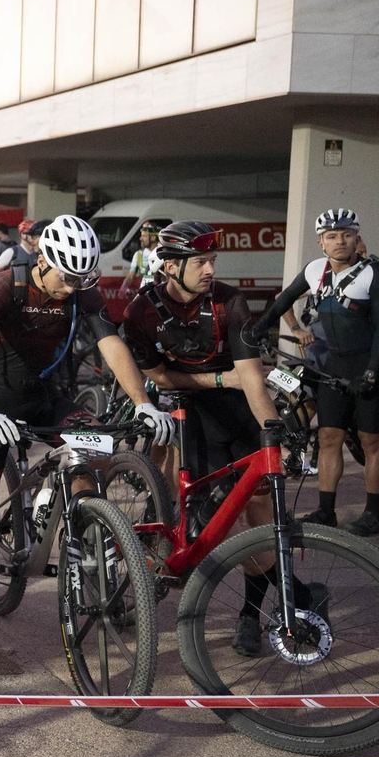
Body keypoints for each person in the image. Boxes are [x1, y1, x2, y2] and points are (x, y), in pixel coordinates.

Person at [0, 214, 174, 647]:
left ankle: (80, 534)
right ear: (44, 259)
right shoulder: (3, 285)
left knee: (95, 456)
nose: (73, 287)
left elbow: (109, 342)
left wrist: (143, 402)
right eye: (67, 277)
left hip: (49, 396)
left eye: (81, 278)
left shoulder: (81, 287)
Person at [121, 221, 294, 656]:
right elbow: (157, 374)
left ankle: (251, 615)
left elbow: (251, 378)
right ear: (171, 266)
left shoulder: (228, 301)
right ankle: (300, 593)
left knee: (257, 511)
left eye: (213, 261)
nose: (209, 269)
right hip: (191, 412)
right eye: (200, 262)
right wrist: (218, 378)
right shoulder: (140, 311)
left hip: (241, 411)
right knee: (206, 528)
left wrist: (272, 433)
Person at [255, 208, 379, 536]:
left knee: (372, 440)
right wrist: (260, 327)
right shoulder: (314, 270)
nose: (340, 241)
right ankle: (325, 511)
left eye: (347, 235)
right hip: (334, 365)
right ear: (320, 243)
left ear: (357, 239)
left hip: (374, 365)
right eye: (332, 236)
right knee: (328, 436)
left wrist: (373, 372)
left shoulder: (376, 276)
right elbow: (284, 299)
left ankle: (373, 514)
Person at [119, 220, 162, 299]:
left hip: (160, 296)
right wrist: (124, 287)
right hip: (144, 297)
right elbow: (130, 276)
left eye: (144, 236)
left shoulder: (162, 254)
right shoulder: (138, 255)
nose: (140, 238)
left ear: (153, 238)